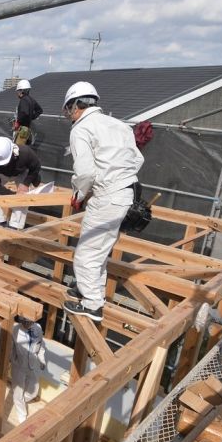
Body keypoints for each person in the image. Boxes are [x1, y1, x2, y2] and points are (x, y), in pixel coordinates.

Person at [61, 81, 144, 322]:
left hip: (107, 197)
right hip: (127, 195)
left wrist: (79, 194)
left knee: (86, 253)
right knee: (100, 249)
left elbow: (85, 172)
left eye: (69, 109)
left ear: (76, 105)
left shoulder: (81, 129)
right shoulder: (119, 125)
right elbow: (137, 160)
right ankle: (89, 290)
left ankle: (92, 305)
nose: (69, 115)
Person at [0, 136, 42, 230]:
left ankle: (15, 225)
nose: (4, 164)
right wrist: (13, 194)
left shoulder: (25, 152)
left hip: (21, 172)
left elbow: (36, 167)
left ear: (12, 151)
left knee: (24, 195)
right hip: (2, 174)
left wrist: (26, 183)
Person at [9, 315, 46, 423]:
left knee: (33, 392)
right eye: (23, 321)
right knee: (18, 392)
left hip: (33, 365)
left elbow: (41, 345)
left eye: (28, 321)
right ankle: (22, 415)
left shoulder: (38, 328)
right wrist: (11, 360)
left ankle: (20, 401)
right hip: (19, 366)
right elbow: (10, 348)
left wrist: (42, 360)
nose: (25, 323)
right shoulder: (15, 330)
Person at [13, 79, 43, 146]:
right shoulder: (32, 100)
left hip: (22, 130)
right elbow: (40, 110)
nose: (17, 93)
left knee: (18, 149)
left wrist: (18, 122)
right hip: (27, 130)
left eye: (18, 91)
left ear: (22, 91)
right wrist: (31, 117)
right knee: (24, 147)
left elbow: (24, 113)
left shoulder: (23, 100)